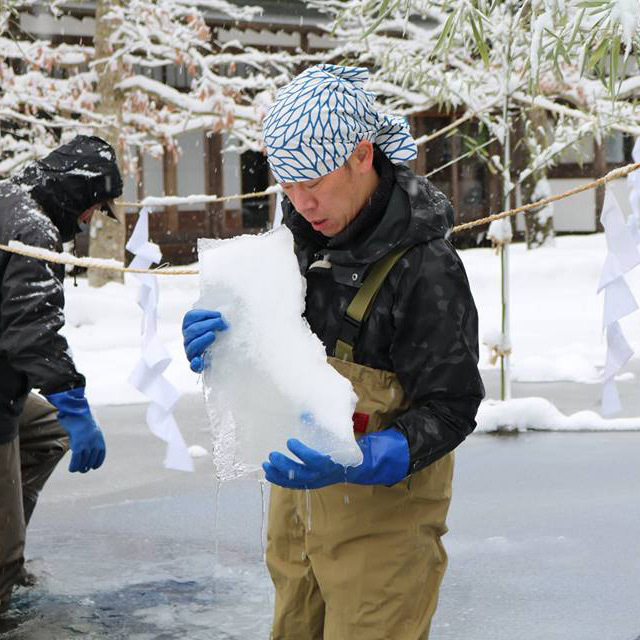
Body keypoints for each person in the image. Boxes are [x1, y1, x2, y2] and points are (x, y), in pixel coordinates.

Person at [182, 65, 485, 639]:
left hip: (385, 527)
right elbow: (278, 355)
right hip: (296, 512)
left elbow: (453, 406)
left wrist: (367, 457)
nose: (301, 202)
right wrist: (225, 344)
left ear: (362, 157)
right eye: (287, 185)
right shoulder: (295, 244)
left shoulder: (426, 268)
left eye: (313, 183)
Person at [0, 135, 123, 613]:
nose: (92, 219)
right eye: (94, 206)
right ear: (76, 193)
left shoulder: (11, 199)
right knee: (3, 559)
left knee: (47, 432)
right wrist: (74, 404)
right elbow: (31, 331)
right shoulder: (32, 229)